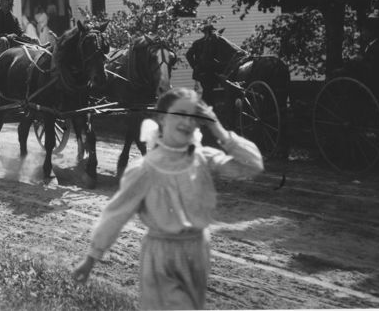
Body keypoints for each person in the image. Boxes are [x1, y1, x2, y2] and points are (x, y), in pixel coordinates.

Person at [72, 87, 263, 309]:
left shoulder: (202, 158)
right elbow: (115, 215)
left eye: (194, 116)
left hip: (197, 251)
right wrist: (91, 259)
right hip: (162, 255)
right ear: (162, 118)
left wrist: (218, 129)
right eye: (180, 114)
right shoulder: (145, 169)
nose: (187, 122)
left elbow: (253, 165)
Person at [185, 22, 223, 101]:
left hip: (212, 72)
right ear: (205, 32)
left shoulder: (214, 43)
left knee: (211, 93)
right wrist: (195, 66)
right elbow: (188, 55)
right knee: (205, 92)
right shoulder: (198, 43)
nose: (211, 33)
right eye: (210, 31)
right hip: (201, 72)